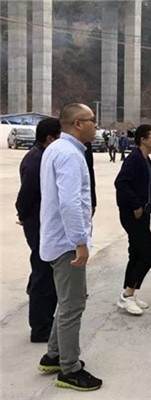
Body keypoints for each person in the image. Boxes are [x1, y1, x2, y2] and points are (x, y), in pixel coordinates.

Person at [37, 103, 102, 391]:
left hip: (58, 238)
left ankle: (53, 355)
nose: (95, 125)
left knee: (67, 302)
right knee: (73, 305)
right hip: (67, 244)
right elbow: (69, 202)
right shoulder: (70, 155)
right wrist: (80, 242)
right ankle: (70, 369)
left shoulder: (57, 149)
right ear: (78, 123)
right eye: (92, 120)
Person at [15, 117, 61, 343]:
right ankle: (40, 328)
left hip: (41, 221)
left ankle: (46, 321)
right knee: (43, 275)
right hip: (37, 223)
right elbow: (26, 195)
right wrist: (23, 215)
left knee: (45, 273)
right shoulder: (37, 160)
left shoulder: (42, 155)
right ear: (50, 138)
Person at [114, 125, 151, 315]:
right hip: (133, 214)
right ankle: (127, 294)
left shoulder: (145, 158)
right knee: (148, 254)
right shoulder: (134, 159)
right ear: (143, 139)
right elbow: (121, 183)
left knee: (136, 253)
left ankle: (129, 294)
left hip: (143, 213)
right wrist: (136, 205)